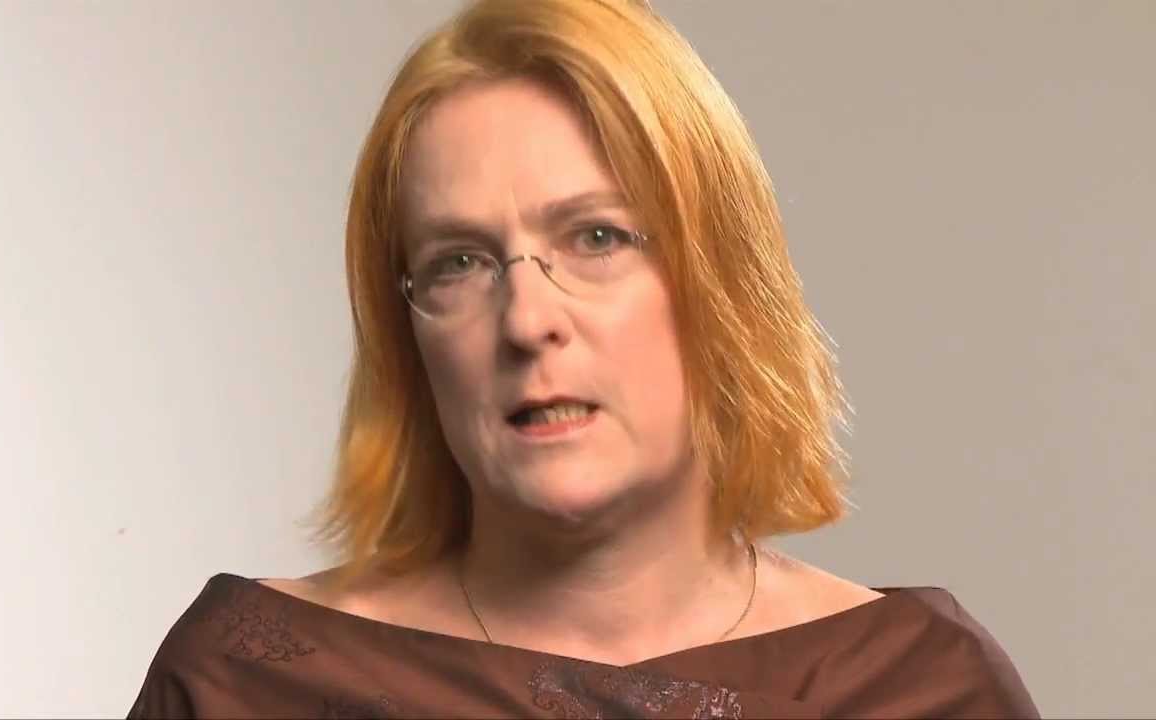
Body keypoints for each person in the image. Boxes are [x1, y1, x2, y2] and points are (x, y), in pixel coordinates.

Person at [128, 0, 1039, 717]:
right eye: (459, 262)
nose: (527, 318)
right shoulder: (243, 686)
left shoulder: (921, 689)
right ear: (408, 334)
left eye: (598, 237)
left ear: (720, 279)